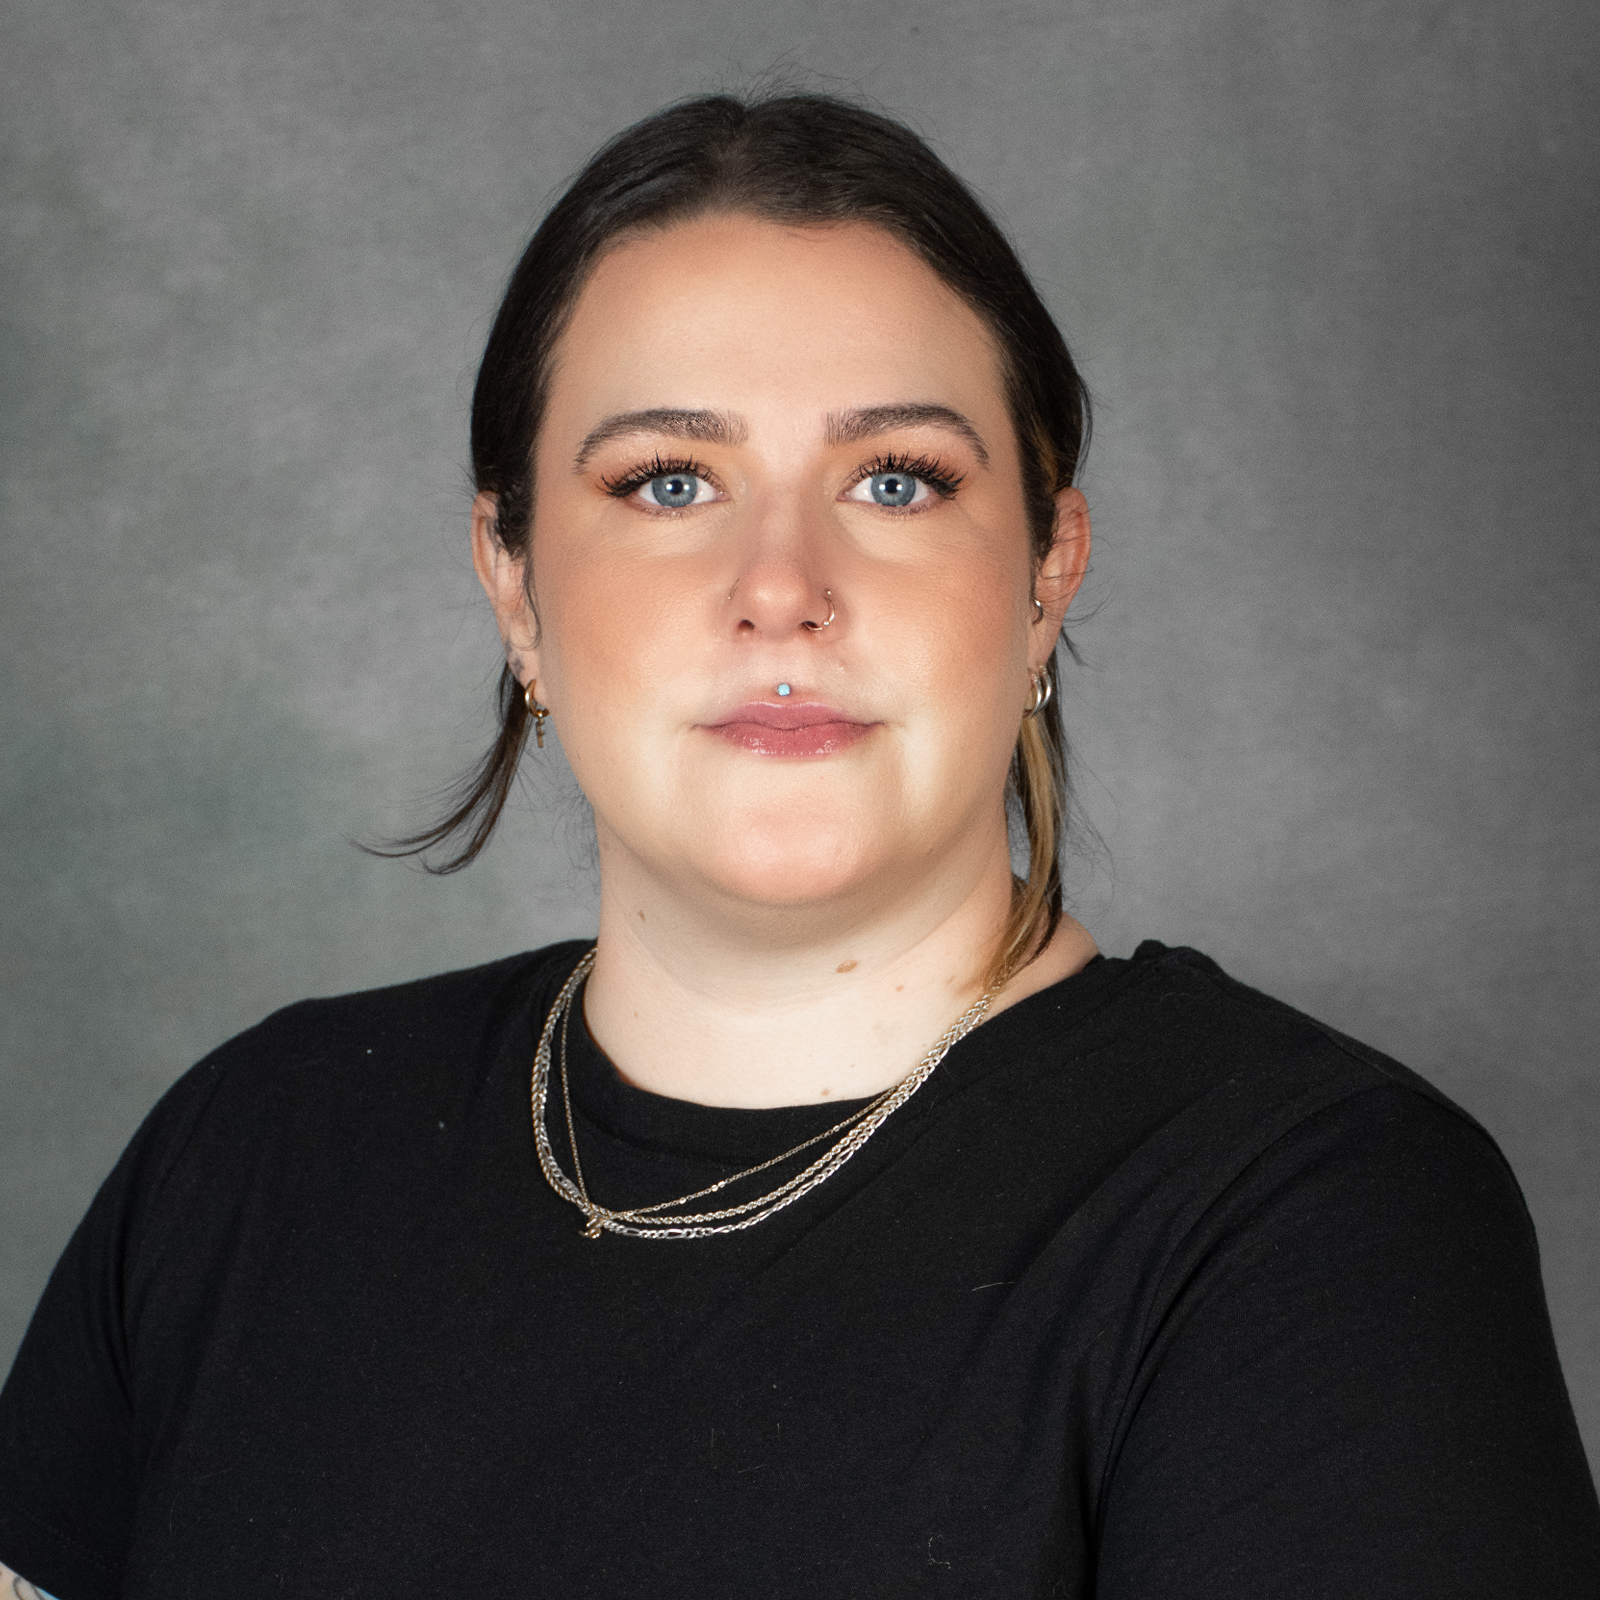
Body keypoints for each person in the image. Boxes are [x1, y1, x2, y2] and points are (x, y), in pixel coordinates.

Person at [1, 90, 1596, 1600]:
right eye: (669, 479)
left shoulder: (1320, 1223)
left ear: (1048, 570)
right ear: (512, 579)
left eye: (895, 480)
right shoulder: (249, 1152)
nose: (782, 583)